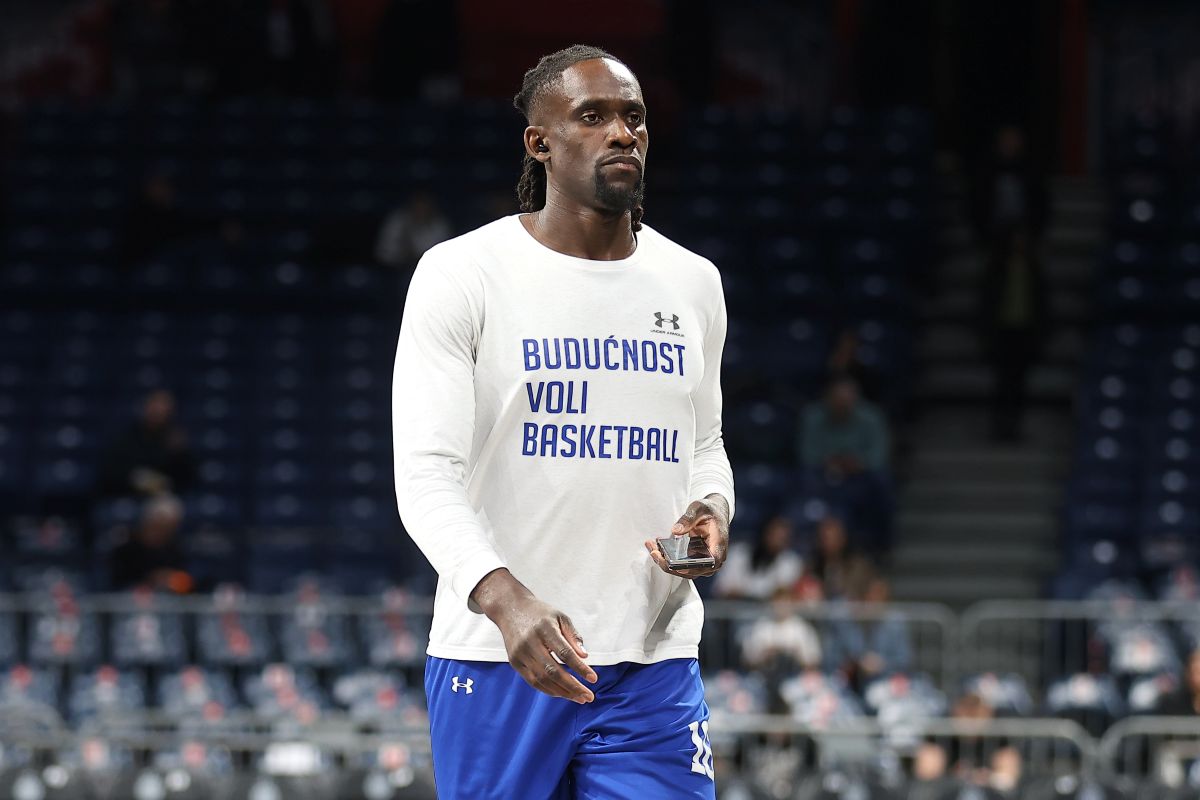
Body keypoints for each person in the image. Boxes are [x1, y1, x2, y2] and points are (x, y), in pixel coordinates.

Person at [391, 45, 734, 799]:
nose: (622, 133)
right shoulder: (462, 273)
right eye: (594, 115)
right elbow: (424, 477)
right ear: (538, 142)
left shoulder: (692, 282)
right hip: (498, 658)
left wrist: (711, 510)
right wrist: (505, 599)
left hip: (654, 663)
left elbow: (704, 446)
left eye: (634, 118)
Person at [978, 223, 1047, 442]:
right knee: (1000, 384)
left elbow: (1043, 304)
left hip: (1024, 333)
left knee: (1019, 386)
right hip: (1002, 332)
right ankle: (998, 428)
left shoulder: (1033, 268)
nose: (1019, 243)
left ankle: (1015, 428)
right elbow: (985, 302)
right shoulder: (997, 268)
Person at [98, 389, 196, 498]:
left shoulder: (175, 440)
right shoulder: (127, 436)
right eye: (154, 406)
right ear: (145, 408)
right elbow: (112, 472)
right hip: (130, 493)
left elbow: (187, 479)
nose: (158, 411)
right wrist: (139, 479)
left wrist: (179, 454)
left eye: (162, 408)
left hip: (165, 496)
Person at [799, 373, 889, 478]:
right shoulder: (812, 416)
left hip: (862, 472)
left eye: (846, 402)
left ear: (856, 399)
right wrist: (830, 462)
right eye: (838, 401)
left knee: (881, 476)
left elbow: (878, 455)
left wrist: (857, 463)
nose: (842, 406)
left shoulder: (872, 417)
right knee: (807, 475)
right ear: (827, 398)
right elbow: (807, 455)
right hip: (823, 472)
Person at [110, 494, 193, 592]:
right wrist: (150, 581)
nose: (161, 533)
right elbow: (114, 586)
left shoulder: (179, 548)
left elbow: (188, 584)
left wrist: (171, 579)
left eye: (167, 529)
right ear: (146, 522)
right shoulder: (124, 548)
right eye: (158, 527)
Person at [714, 515, 803, 600]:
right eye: (773, 535)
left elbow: (782, 596)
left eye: (782, 539)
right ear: (764, 533)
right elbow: (724, 591)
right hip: (734, 612)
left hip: (769, 613)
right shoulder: (738, 553)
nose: (776, 542)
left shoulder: (791, 562)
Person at [374, 190, 453, 271]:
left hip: (428, 269)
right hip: (393, 268)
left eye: (424, 207)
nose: (420, 210)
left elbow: (441, 255)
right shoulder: (397, 220)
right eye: (417, 206)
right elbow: (383, 252)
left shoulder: (439, 225)